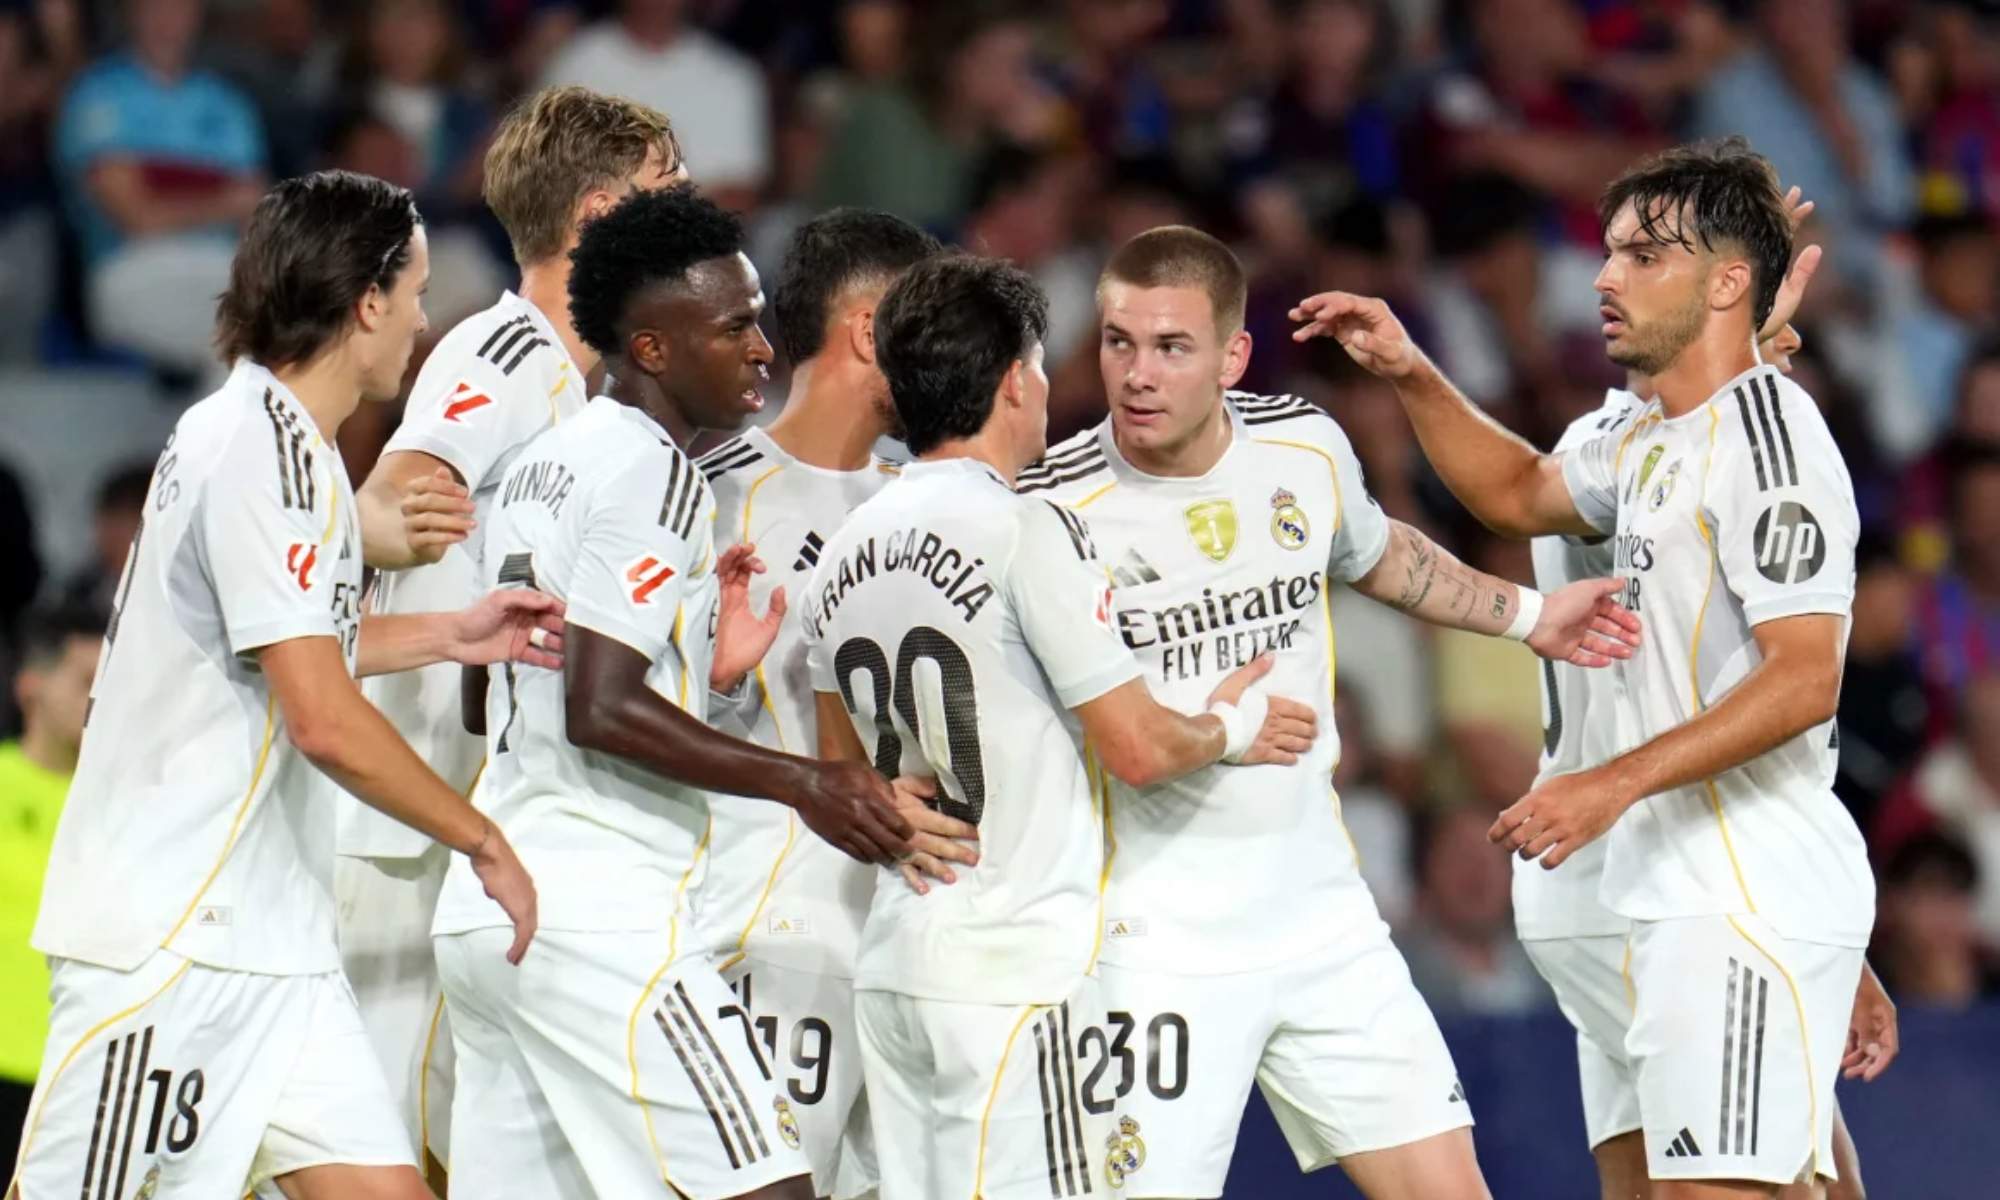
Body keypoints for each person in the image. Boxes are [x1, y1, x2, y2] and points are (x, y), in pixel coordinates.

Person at [1293, 138, 1874, 1197]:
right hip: (1626, 893)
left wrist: (1606, 789)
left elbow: (1803, 682)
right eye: (1608, 252)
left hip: (1722, 892)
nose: (1602, 278)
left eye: (1641, 256)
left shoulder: (1771, 443)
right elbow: (1517, 493)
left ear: (1727, 282)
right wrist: (1411, 372)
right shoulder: (1632, 430)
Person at [1018, 224, 1637, 1200]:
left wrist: (1524, 616)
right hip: (1148, 941)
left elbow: (1379, 553)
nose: (1136, 374)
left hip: (1321, 921)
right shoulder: (1049, 507)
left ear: (1231, 356)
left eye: (1170, 347)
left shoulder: (1300, 448)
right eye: (1117, 342)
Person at [11, 169, 554, 1200]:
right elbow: (320, 718)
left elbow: (291, 644)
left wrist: (450, 631)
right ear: (365, 304)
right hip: (175, 941)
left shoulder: (264, 442)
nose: (423, 322)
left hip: (277, 944)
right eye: (417, 293)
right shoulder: (260, 453)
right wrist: (480, 838)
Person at [430, 184, 937, 1200]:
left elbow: (498, 694)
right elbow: (600, 707)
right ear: (652, 349)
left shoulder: (544, 463)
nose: (761, 347)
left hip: (491, 908)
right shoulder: (657, 473)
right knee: (770, 1189)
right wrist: (805, 782)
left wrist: (696, 673)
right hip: (598, 911)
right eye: (734, 326)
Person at [806, 251, 1324, 1200]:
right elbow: (1137, 748)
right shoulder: (1022, 528)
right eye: (1042, 365)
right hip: (1012, 968)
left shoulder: (842, 546)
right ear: (1014, 380)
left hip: (896, 960)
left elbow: (842, 781)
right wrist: (1230, 724)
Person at [343, 85, 682, 1175]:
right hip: (411, 834)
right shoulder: (502, 354)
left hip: (475, 824)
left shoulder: (588, 392)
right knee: (388, 1152)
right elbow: (398, 490)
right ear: (596, 214)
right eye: (664, 189)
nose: (688, 216)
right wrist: (406, 511)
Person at [1517, 305, 1893, 1200]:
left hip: (1636, 875)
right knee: (1778, 1181)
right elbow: (1783, 691)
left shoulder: (1640, 446)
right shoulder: (1636, 453)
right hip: (1658, 871)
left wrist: (1842, 953)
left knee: (1674, 1176)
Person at [692, 207, 943, 1200]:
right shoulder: (709, 493)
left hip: (906, 939)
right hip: (767, 928)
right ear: (867, 328)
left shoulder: (930, 502)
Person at [54, 0, 267, 374]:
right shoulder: (98, 92)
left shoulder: (227, 103)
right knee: (241, 349)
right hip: (131, 269)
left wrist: (169, 196)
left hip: (225, 269)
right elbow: (137, 217)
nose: (167, 17)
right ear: (130, 12)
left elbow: (256, 214)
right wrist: (224, 200)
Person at [0, 606, 101, 1181]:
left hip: (82, 1075)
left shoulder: (127, 801)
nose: (97, 700)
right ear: (31, 687)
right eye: (85, 681)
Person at [539, 0, 769, 208]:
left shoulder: (734, 76)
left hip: (699, 249)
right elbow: (548, 177)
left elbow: (742, 195)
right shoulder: (575, 64)